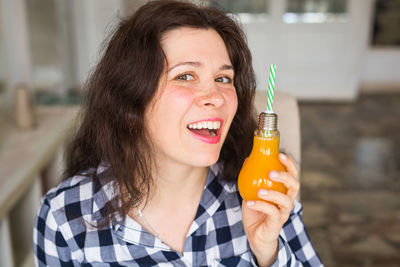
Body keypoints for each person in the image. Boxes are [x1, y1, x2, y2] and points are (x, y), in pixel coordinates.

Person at [33, 1, 323, 266]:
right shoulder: (66, 218)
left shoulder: (263, 193)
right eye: (185, 76)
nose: (216, 97)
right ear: (131, 98)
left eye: (223, 78)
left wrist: (268, 253)